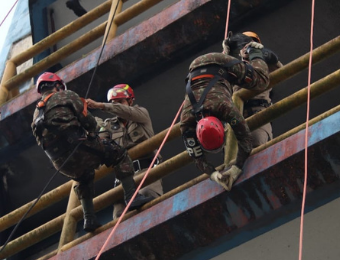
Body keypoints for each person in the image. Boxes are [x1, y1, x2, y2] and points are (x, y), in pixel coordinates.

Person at [31, 72, 153, 232]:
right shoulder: (67, 95)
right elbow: (89, 123)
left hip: (61, 163)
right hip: (80, 147)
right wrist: (90, 127)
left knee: (83, 178)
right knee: (119, 154)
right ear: (58, 85)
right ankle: (132, 197)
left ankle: (89, 219)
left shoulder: (36, 113)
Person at [180, 38, 269, 191]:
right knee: (228, 77)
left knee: (261, 81)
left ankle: (254, 50)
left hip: (219, 63)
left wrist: (236, 169)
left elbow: (245, 138)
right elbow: (196, 157)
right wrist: (214, 174)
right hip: (195, 68)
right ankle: (232, 51)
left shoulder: (224, 108)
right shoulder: (186, 119)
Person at [86, 84, 163, 220]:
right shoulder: (108, 125)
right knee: (119, 217)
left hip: (147, 170)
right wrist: (85, 117)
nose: (117, 106)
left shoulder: (141, 114)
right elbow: (100, 140)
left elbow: (126, 112)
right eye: (114, 103)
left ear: (130, 101)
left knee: (150, 201)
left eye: (120, 102)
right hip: (122, 179)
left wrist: (101, 105)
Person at [231, 31, 283, 147]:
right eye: (242, 44)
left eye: (249, 42)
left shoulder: (263, 64)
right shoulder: (235, 69)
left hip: (257, 116)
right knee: (233, 159)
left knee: (255, 152)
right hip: (236, 122)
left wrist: (259, 52)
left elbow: (278, 66)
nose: (245, 46)